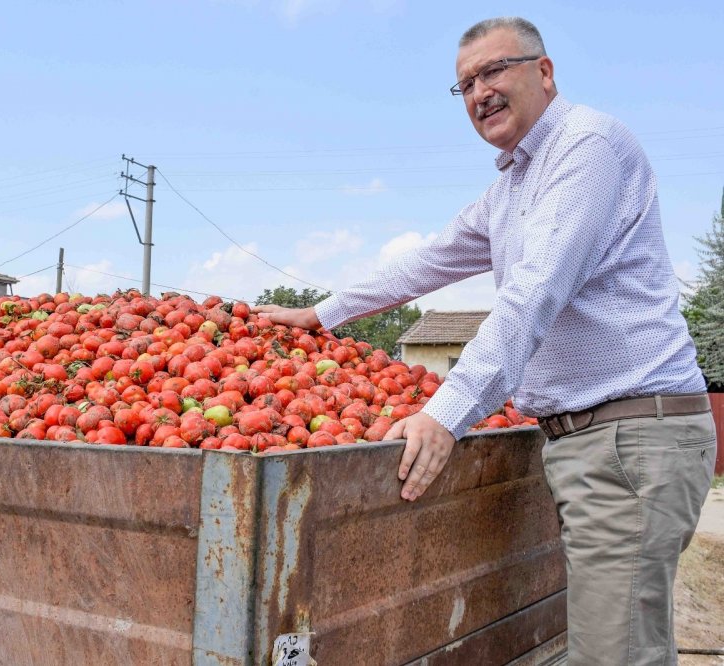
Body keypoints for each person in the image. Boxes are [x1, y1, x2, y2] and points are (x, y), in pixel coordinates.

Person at [252, 16, 717, 665]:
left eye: (495, 70)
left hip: (632, 437)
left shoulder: (589, 150)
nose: (479, 93)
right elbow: (424, 262)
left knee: (616, 654)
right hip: (587, 439)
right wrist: (323, 314)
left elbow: (533, 295)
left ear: (544, 71)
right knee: (616, 642)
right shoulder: (510, 192)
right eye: (465, 84)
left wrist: (446, 414)